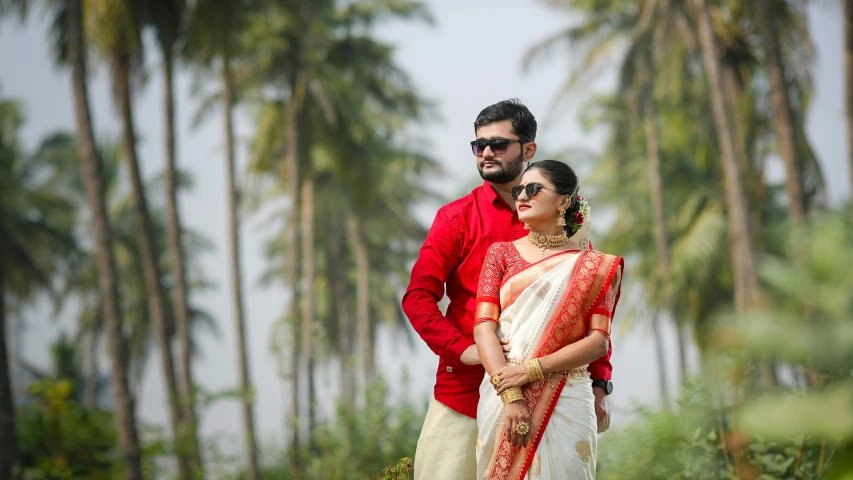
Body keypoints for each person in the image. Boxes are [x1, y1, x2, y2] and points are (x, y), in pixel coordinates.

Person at [402, 100, 615, 479]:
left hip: (555, 392)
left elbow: (585, 307)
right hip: (464, 394)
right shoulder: (457, 218)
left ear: (528, 149)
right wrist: (465, 350)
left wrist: (599, 383)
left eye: (498, 144)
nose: (485, 152)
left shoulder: (567, 228)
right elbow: (418, 297)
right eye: (478, 145)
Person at [474, 160, 623, 479]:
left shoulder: (595, 267)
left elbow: (598, 342)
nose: (522, 196)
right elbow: (484, 329)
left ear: (564, 200)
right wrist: (511, 395)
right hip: (504, 395)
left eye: (533, 188)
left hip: (568, 397)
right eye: (518, 190)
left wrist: (532, 370)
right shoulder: (499, 254)